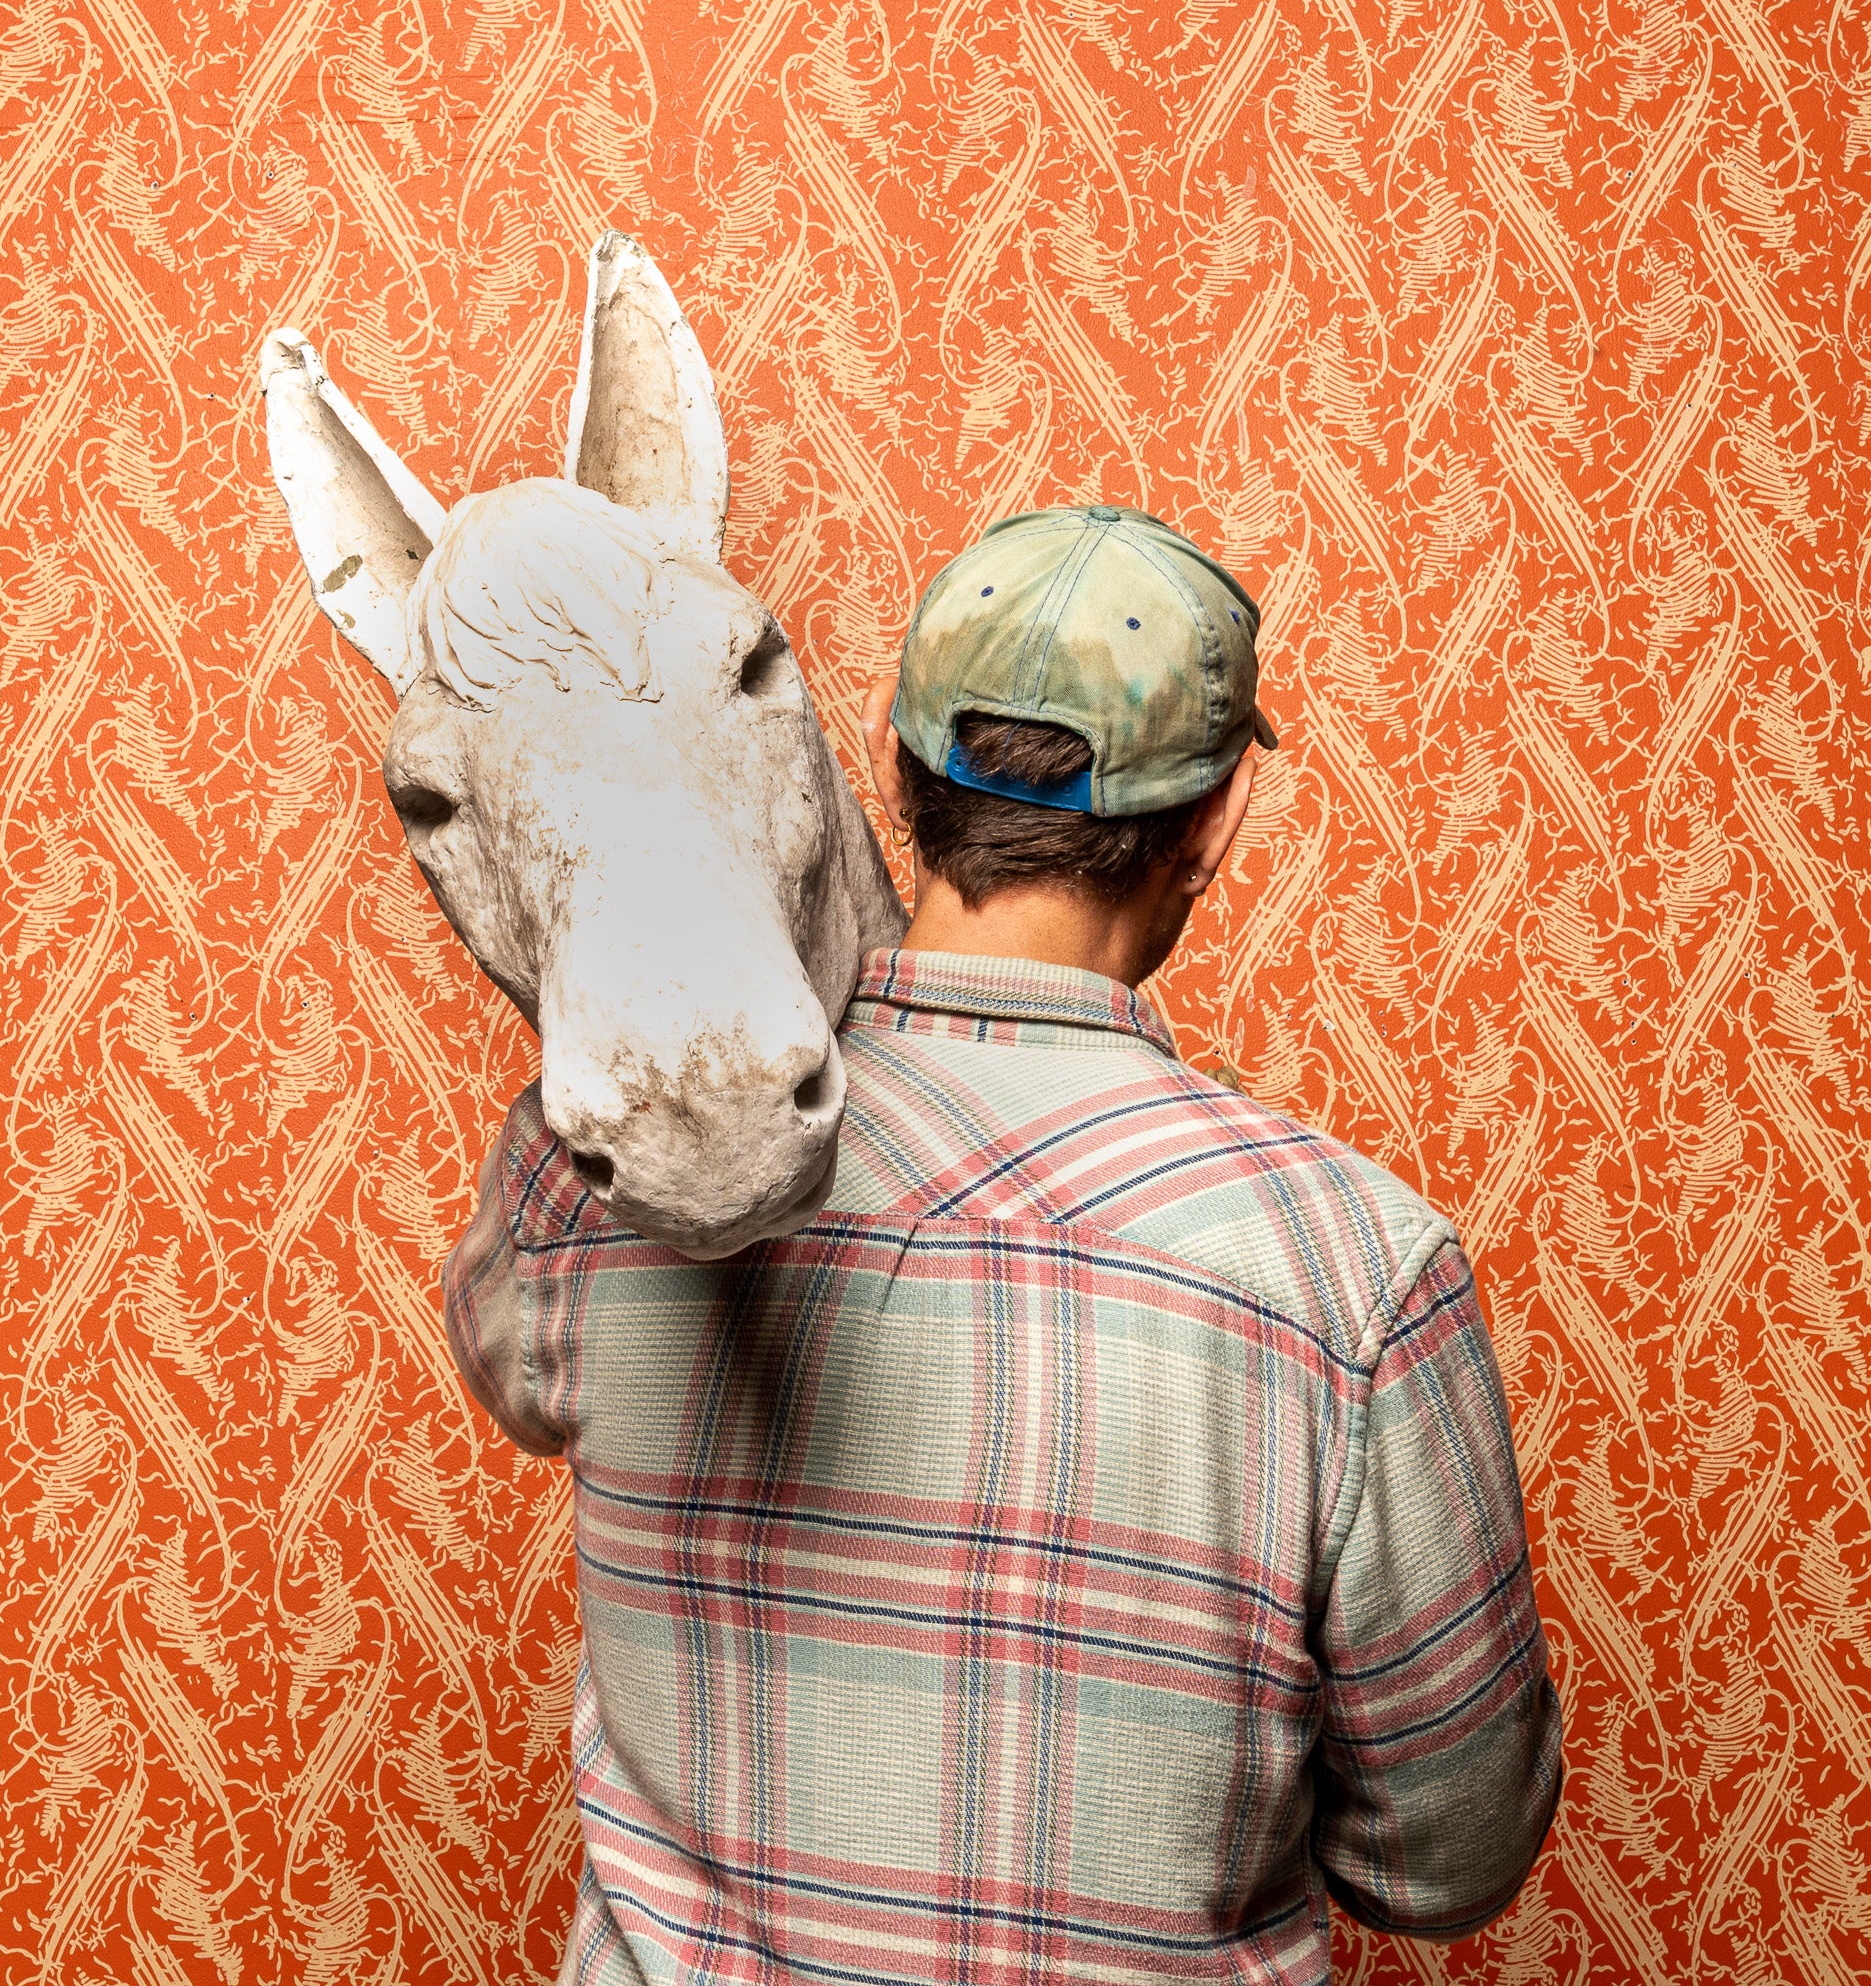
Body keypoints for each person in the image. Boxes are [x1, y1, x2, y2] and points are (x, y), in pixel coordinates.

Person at [447, 503, 1562, 1984]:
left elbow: (511, 1360)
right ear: (1217, 822)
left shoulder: (593, 1182)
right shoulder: (1353, 1273)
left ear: (902, 777)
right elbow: (1443, 1857)